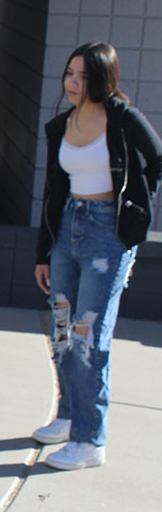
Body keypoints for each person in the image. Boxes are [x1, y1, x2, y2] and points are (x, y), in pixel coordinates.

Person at [33, 42, 161, 470]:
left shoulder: (121, 119)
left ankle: (91, 440)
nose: (72, 82)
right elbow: (53, 193)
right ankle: (70, 415)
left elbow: (156, 157)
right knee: (64, 330)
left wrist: (137, 212)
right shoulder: (61, 126)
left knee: (90, 337)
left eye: (83, 76)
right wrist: (44, 253)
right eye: (70, 73)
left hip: (108, 237)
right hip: (68, 232)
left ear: (102, 79)